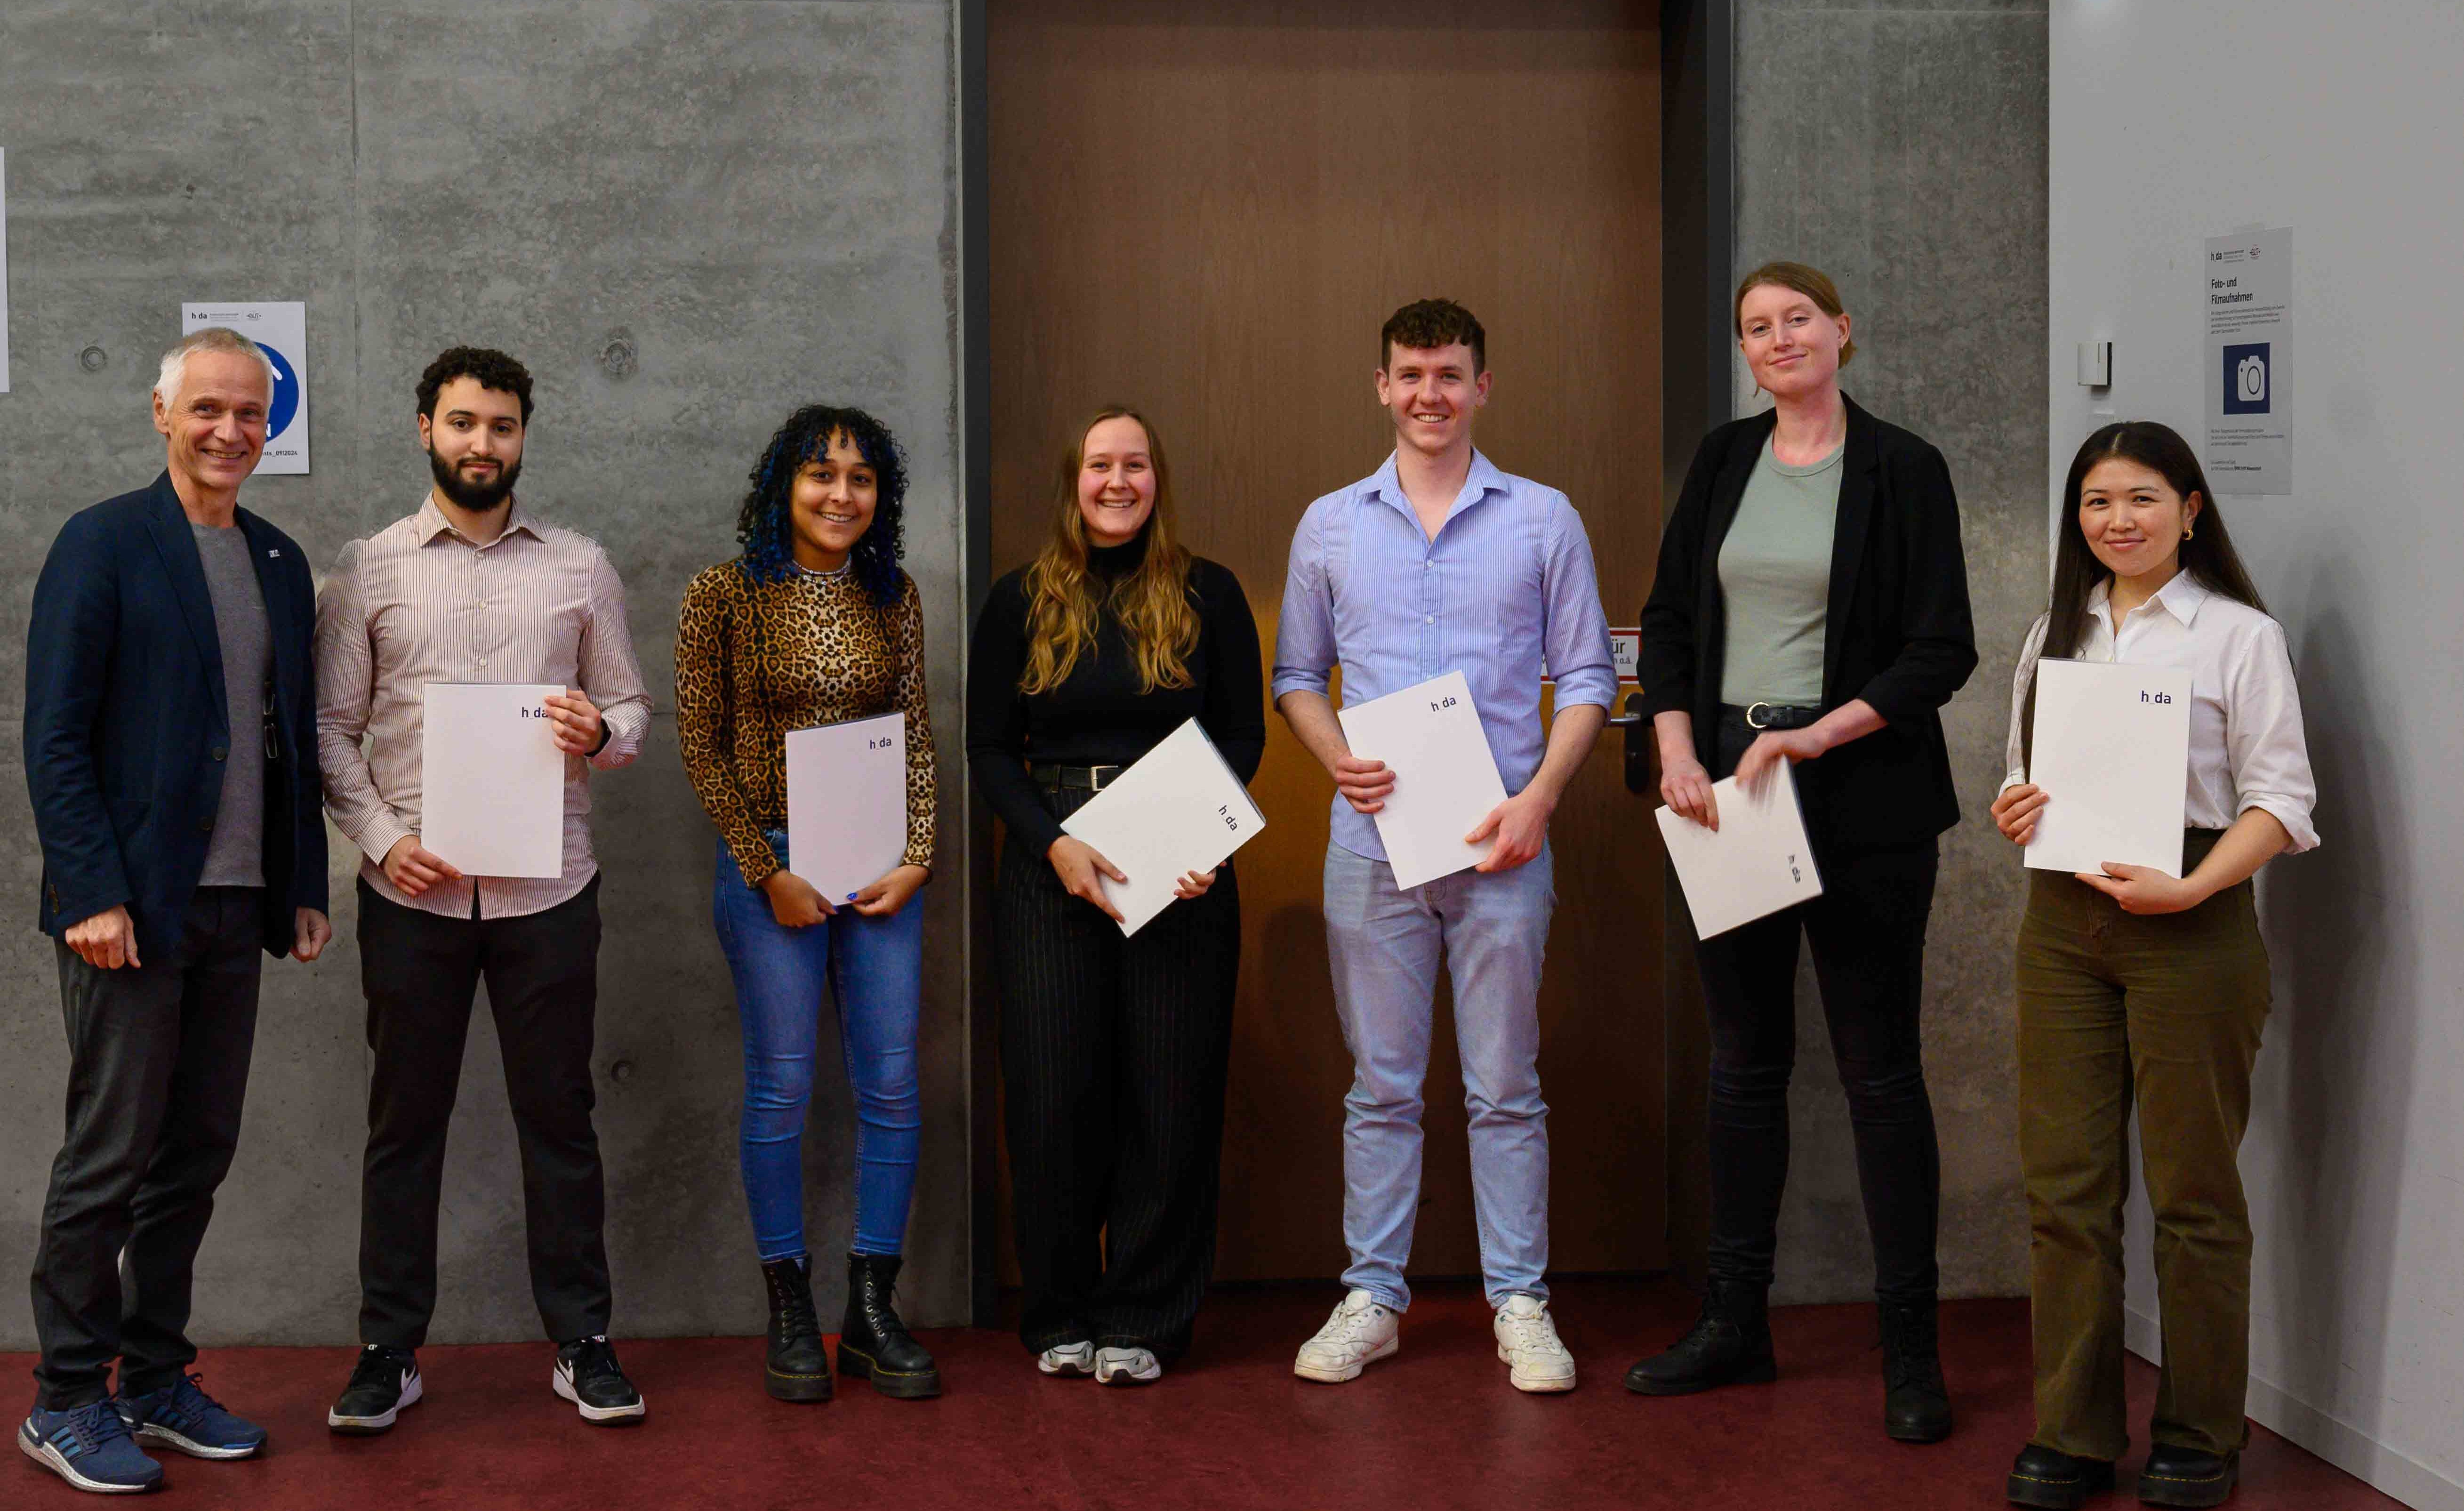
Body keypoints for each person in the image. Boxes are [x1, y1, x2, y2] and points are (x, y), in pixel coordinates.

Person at [1629, 260, 1975, 1442]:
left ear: (1841, 330)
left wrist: (1813, 736)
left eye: (1795, 320)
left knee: (1879, 1075)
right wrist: (1676, 747)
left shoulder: (1904, 468)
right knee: (1742, 1066)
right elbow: (1669, 618)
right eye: (1754, 328)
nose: (1776, 339)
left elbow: (1941, 650)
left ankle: (1909, 1354)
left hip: (1859, 791)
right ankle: (1735, 1324)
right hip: (1725, 790)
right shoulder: (1723, 461)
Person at [1272, 299, 1614, 1394]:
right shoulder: (1330, 524)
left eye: (1450, 375)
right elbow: (1294, 677)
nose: (1430, 393)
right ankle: (1372, 1297)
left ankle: (1520, 1303)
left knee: (1504, 1086)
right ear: (1381, 386)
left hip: (1502, 847)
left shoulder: (1541, 519)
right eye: (1411, 375)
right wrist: (1333, 756)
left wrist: (1539, 800)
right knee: (1379, 1087)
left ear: (1482, 387)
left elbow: (1589, 680)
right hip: (1372, 849)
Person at [314, 346, 653, 1434]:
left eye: (501, 427)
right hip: (411, 896)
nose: (481, 444)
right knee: (402, 1127)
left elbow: (632, 712)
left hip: (548, 894)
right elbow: (328, 729)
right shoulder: (368, 570)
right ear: (425, 428)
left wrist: (601, 732)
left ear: (522, 437)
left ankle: (584, 1343)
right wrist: (377, 837)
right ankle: (387, 1351)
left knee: (559, 1119)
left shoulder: (579, 567)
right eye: (462, 423)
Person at [20, 328, 331, 1495]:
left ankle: (151, 1381)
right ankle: (62, 1401)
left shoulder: (279, 561)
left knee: (194, 1156)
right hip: (130, 912)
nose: (230, 431)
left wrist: (302, 884)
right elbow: (54, 738)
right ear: (162, 413)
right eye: (207, 408)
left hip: (235, 908)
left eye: (250, 413)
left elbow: (287, 741)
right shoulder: (102, 544)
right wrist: (89, 892)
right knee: (109, 1157)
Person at [1991, 422, 2314, 1511]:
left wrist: (2193, 887)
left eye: (2138, 499)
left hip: (2192, 913)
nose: (2114, 521)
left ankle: (2197, 1433)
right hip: (2060, 921)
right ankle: (2071, 1432)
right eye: (2094, 502)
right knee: (2064, 1189)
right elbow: (2021, 778)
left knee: (2192, 1193)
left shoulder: (2234, 636)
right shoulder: (2056, 630)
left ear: (2188, 509)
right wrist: (2015, 808)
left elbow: (2281, 800)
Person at [969, 406, 1264, 1388]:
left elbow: (1240, 736)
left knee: (1168, 1098)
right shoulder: (1019, 599)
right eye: (1099, 464)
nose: (1116, 481)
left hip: (1179, 863)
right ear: (1073, 479)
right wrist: (1050, 846)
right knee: (1054, 1097)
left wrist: (1204, 840)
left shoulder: (1209, 593)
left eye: (1134, 463)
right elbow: (986, 749)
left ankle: (1144, 1317)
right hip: (1053, 858)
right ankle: (1059, 1311)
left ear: (1156, 477)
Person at [676, 405, 941, 1404]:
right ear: (782, 486)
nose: (841, 495)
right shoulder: (725, 594)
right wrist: (764, 870)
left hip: (881, 872)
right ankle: (789, 1308)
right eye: (821, 475)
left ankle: (873, 1309)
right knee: (782, 1087)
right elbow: (700, 745)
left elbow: (915, 731)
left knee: (891, 1090)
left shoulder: (892, 594)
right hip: (771, 871)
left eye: (862, 478)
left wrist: (918, 854)